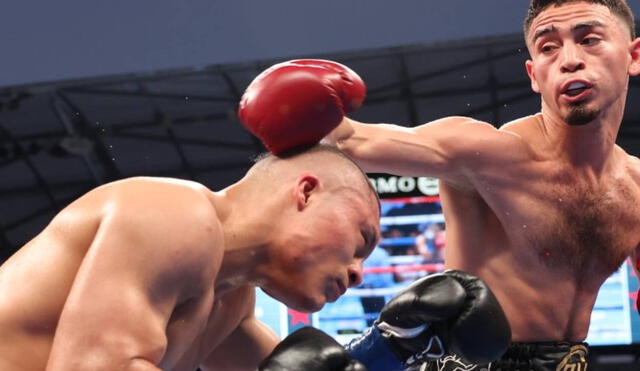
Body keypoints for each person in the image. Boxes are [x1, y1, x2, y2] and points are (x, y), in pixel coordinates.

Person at [237, 1, 640, 369]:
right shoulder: (488, 152)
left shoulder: (635, 187)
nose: (569, 60)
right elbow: (346, 139)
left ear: (632, 56)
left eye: (589, 40)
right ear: (534, 75)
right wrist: (294, 105)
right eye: (548, 47)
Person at [0, 143, 510, 371]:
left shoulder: (228, 303)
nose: (358, 271)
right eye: (360, 239)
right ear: (305, 192)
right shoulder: (173, 213)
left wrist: (394, 347)